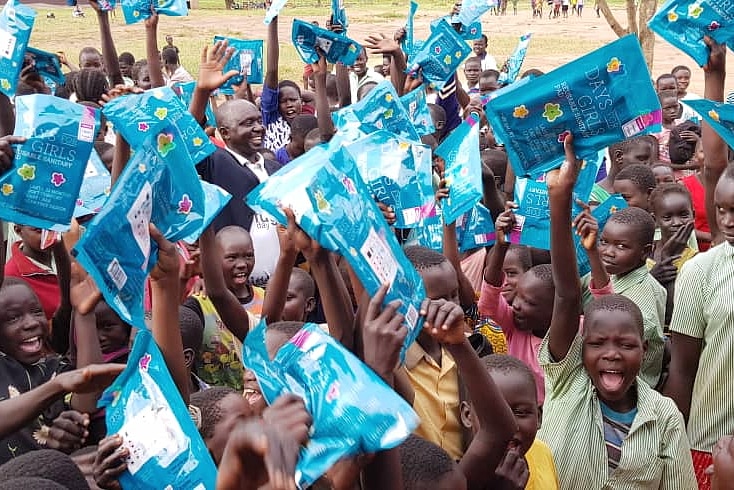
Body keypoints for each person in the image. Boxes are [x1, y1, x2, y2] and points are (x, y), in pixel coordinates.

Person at [540, 137, 696, 488]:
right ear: (581, 349)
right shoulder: (569, 383)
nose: (611, 354)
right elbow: (566, 295)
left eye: (626, 345)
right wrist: (559, 198)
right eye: (597, 343)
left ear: (646, 348)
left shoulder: (664, 416)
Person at [665, 164, 734, 489]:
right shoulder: (700, 272)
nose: (727, 222)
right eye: (720, 209)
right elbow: (682, 369)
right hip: (708, 443)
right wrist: (673, 446)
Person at [580, 206, 666, 389]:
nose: (608, 252)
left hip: (628, 388)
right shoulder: (613, 273)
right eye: (603, 242)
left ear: (645, 252)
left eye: (621, 246)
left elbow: (614, 323)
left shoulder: (642, 302)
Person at [461, 354, 560, 489]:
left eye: (520, 412)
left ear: (539, 416)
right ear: (468, 416)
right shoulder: (459, 480)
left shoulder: (541, 452)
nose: (509, 426)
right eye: (493, 414)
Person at [647, 183, 696, 326]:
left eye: (684, 215)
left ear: (694, 215)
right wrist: (652, 277)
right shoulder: (644, 252)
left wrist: (669, 255)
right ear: (655, 220)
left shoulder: (697, 260)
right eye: (667, 217)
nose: (677, 223)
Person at [4, 226, 62, 321]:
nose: (48, 236)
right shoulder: (11, 278)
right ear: (18, 231)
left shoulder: (70, 255)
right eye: (39, 230)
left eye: (52, 229)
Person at [590, 137, 654, 205]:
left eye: (650, 160)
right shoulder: (592, 197)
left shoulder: (649, 193)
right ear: (619, 156)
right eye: (642, 159)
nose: (648, 164)